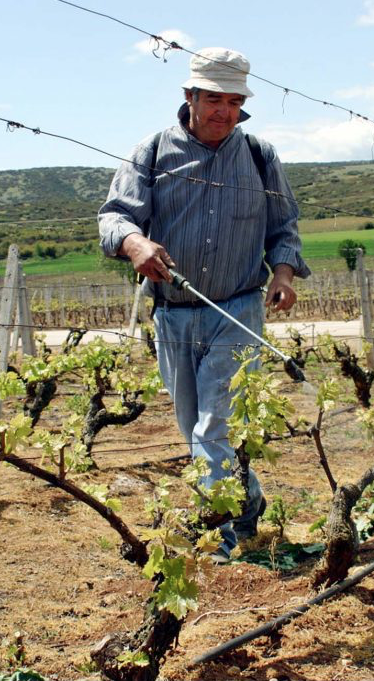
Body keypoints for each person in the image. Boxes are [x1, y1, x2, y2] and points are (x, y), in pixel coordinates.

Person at [98, 47, 310, 562]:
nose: (224, 111)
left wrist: (282, 273)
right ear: (189, 96)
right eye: (213, 98)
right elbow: (112, 218)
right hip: (172, 312)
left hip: (238, 310)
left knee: (213, 427)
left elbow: (284, 227)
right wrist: (135, 244)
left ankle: (217, 538)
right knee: (194, 426)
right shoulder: (150, 153)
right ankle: (249, 500)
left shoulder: (260, 155)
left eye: (234, 101)